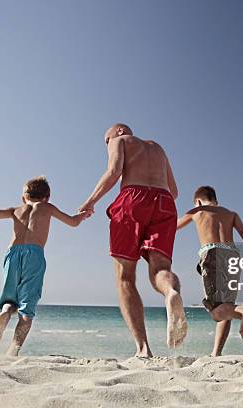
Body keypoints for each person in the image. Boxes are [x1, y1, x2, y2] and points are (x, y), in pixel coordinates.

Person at [0, 176, 89, 356]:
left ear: (23, 197)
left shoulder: (16, 211)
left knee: (11, 299)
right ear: (47, 197)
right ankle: (12, 351)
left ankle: (4, 312)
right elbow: (73, 222)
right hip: (34, 255)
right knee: (27, 310)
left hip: (12, 254)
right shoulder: (46, 208)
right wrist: (83, 215)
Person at [79, 123, 187, 357]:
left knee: (125, 276)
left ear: (118, 131)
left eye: (106, 140)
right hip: (165, 202)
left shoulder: (120, 141)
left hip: (132, 200)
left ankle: (143, 348)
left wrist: (90, 202)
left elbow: (114, 171)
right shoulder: (158, 148)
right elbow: (175, 192)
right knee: (160, 269)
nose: (107, 145)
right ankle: (170, 293)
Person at [177, 185, 243, 356]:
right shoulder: (231, 214)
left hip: (212, 254)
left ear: (198, 201)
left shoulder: (197, 210)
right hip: (233, 256)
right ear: (216, 201)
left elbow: (174, 226)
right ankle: (216, 353)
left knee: (216, 312)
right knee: (226, 306)